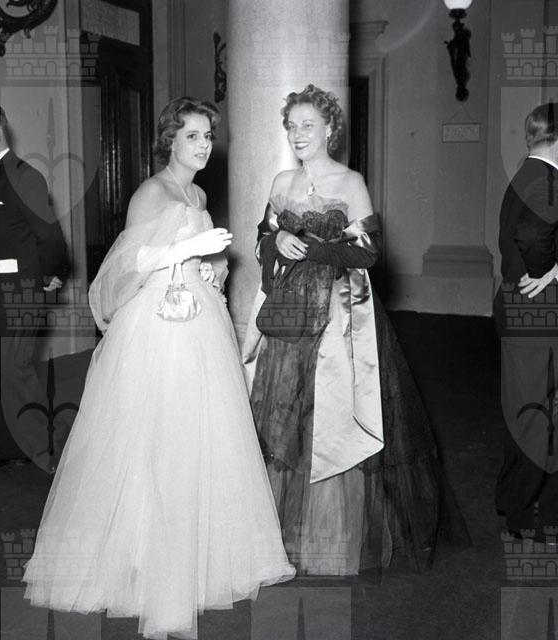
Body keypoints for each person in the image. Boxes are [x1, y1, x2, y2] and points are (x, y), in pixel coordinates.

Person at [23, 97, 294, 639]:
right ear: (169, 140)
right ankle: (143, 562)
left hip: (199, 319)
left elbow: (199, 256)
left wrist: (211, 266)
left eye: (207, 136)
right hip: (157, 326)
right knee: (155, 435)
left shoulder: (197, 194)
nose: (203, 145)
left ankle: (199, 557)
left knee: (200, 434)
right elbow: (129, 263)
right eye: (192, 135)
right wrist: (184, 250)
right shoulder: (151, 192)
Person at [243, 84, 470, 575]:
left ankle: (324, 536)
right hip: (287, 316)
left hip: (335, 317)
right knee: (283, 416)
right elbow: (262, 237)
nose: (298, 134)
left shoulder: (350, 182)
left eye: (307, 125)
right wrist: (277, 241)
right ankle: (273, 531)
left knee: (327, 418)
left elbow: (368, 253)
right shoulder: (281, 181)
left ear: (329, 129)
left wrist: (313, 247)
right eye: (291, 126)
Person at [0, 102, 68, 470]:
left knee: (15, 377)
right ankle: (7, 447)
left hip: (15, 296)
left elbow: (49, 236)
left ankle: (46, 454)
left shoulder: (24, 175)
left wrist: (49, 275)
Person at [494, 102, 558, 542]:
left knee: (529, 409)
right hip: (538, 313)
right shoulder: (546, 181)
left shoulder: (527, 174)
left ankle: (516, 501)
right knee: (538, 414)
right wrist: (547, 271)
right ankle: (527, 514)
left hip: (522, 312)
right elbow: (534, 237)